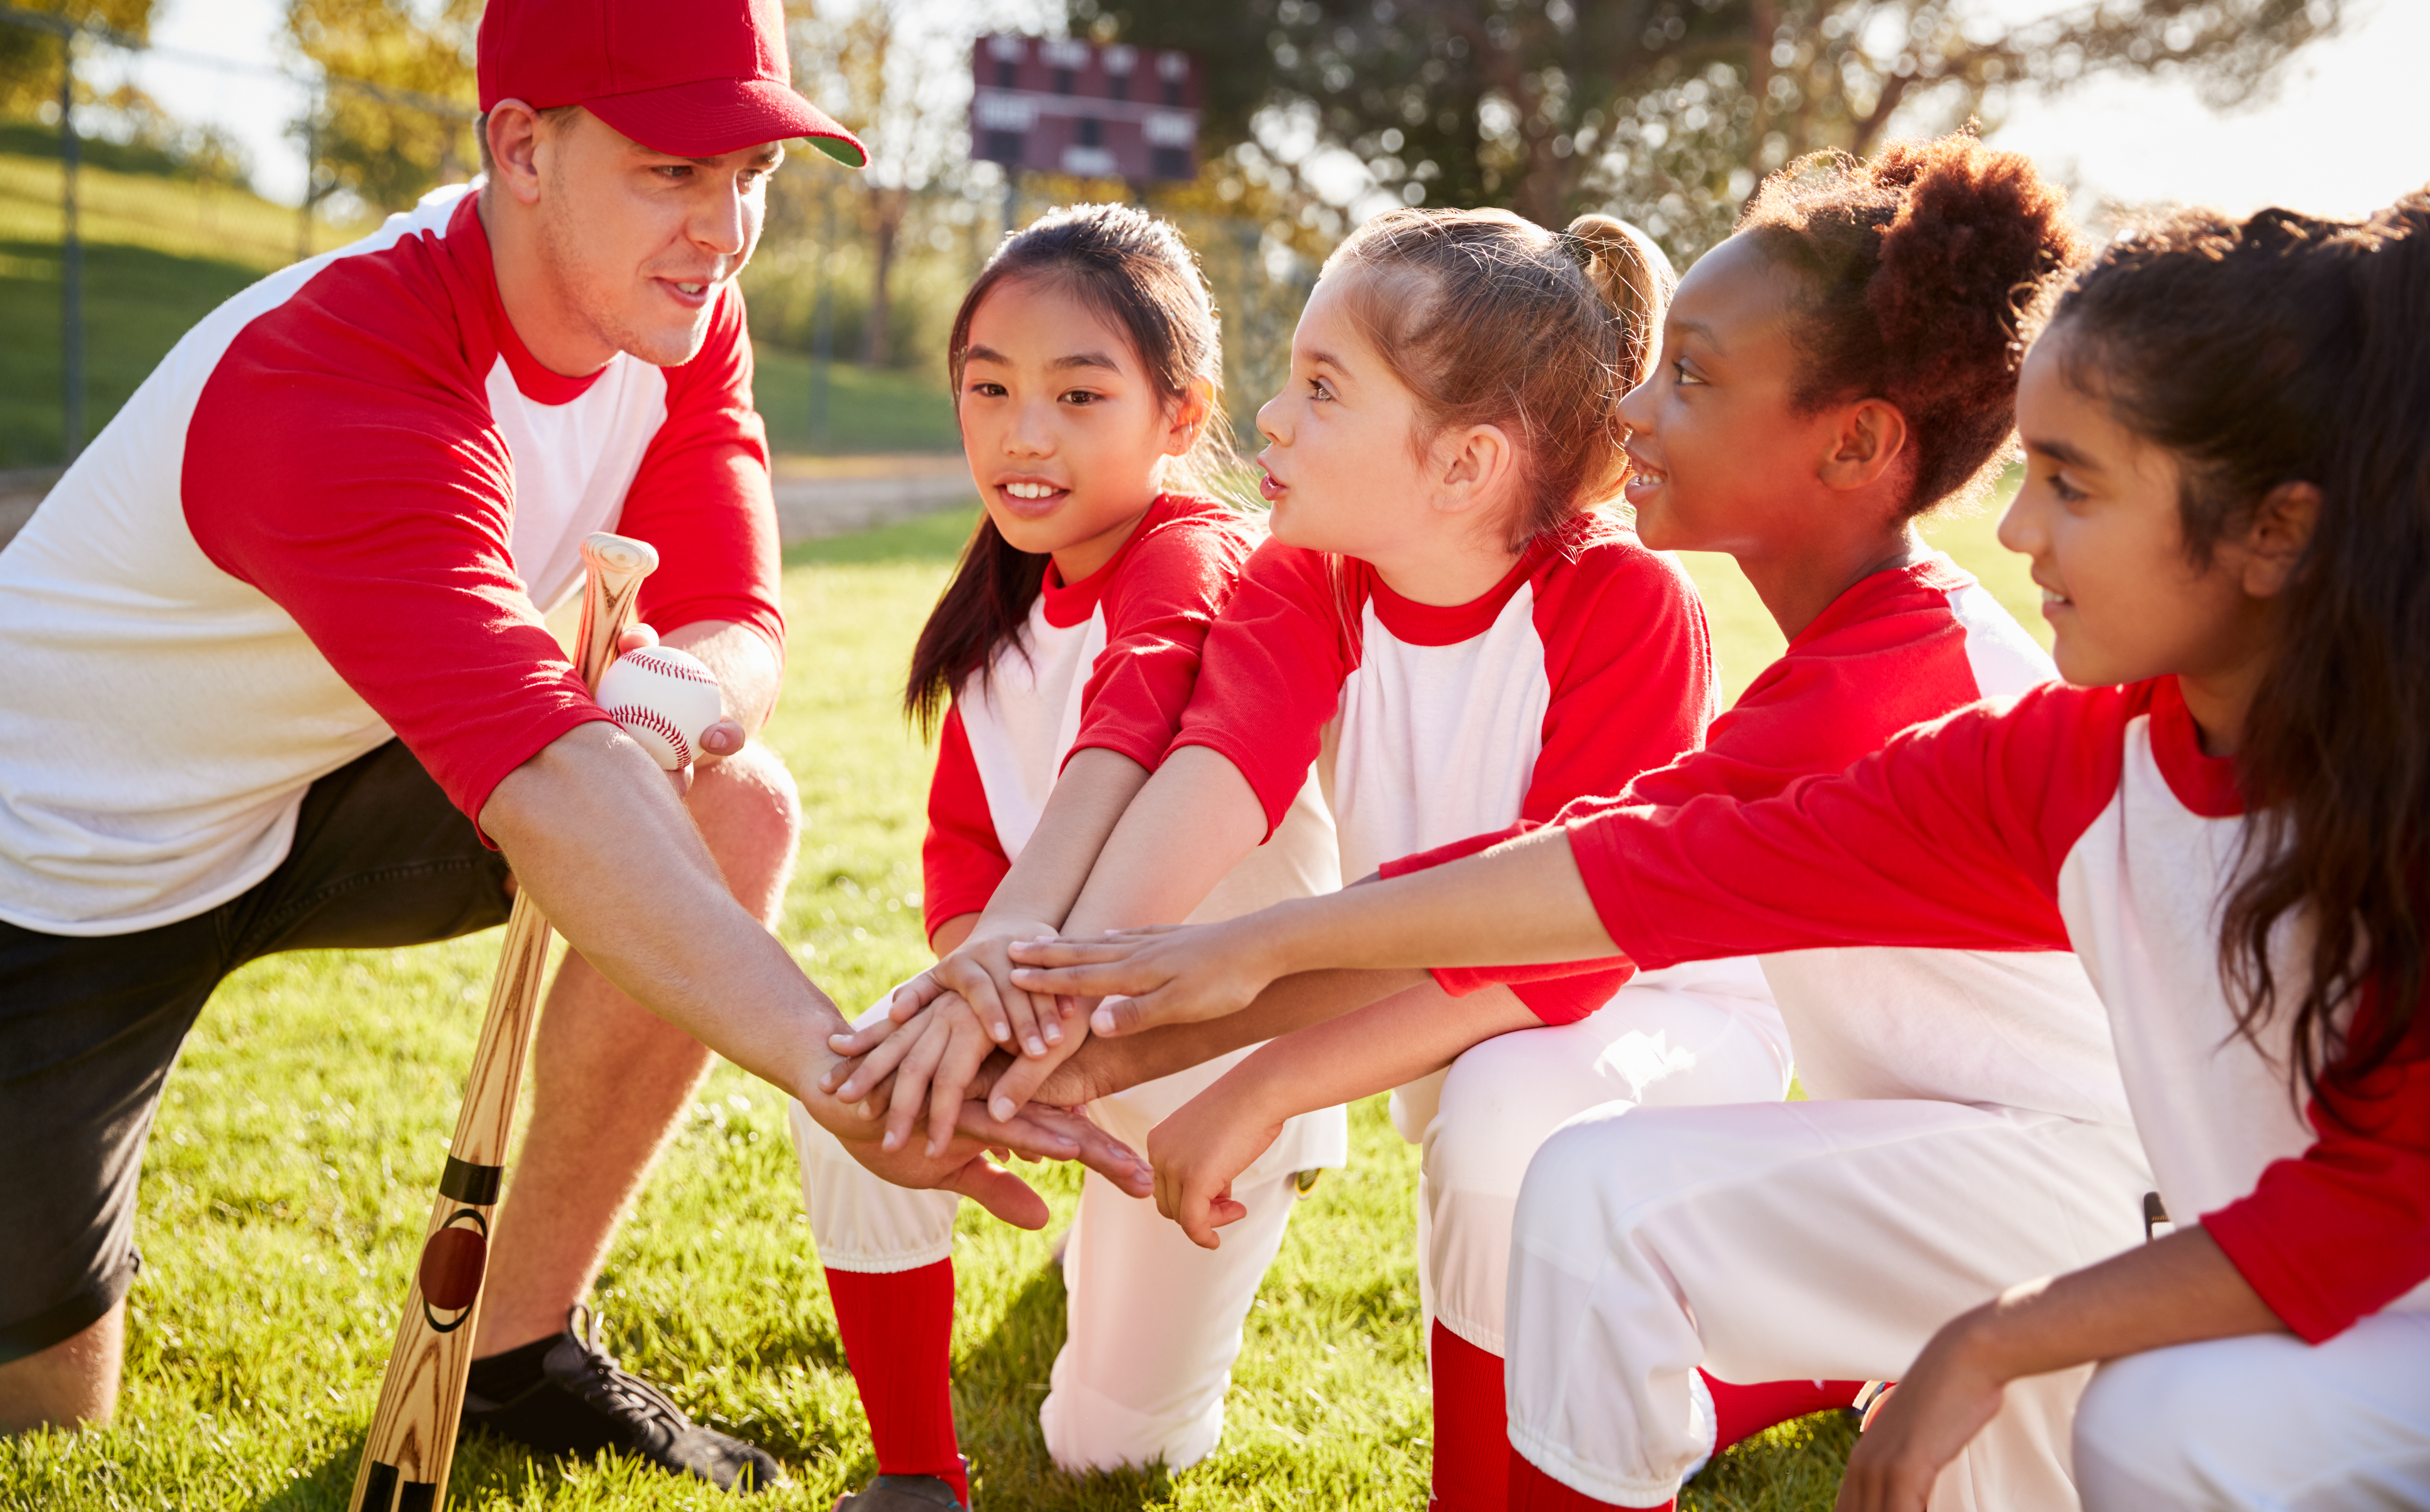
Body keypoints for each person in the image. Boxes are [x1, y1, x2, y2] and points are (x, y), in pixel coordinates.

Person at [1033, 192, 2430, 1511]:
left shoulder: (1909, 684)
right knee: (1615, 1210)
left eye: (1690, 379)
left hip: (2103, 1194)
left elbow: (1613, 888)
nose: (1632, 405)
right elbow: (1626, 863)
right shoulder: (2036, 742)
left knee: (1608, 1200)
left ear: (1852, 446)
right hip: (2039, 1177)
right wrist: (1196, 984)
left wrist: (2002, 1336)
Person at [0, 0, 1143, 1490]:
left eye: (754, 175)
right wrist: (840, 1070)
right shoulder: (336, 377)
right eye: (678, 170)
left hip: (321, 794)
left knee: (728, 804)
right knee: (51, 1406)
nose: (725, 229)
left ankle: (517, 1350)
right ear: (521, 151)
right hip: (57, 871)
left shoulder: (676, 318)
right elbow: (542, 774)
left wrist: (675, 706)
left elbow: (738, 620)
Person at [834, 204, 1791, 1511]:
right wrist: (1047, 1006)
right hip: (1430, 995)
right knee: (1476, 1141)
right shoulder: (1308, 575)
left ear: (1462, 466)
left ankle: (1639, 1420)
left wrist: (1263, 1083)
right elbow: (1218, 774)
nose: (1270, 420)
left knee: (1506, 1125)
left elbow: (1565, 962)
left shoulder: (1627, 606)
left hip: (1650, 1009)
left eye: (1322, 388)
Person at [786, 204, 1346, 1510]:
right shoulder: (997, 611)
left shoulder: (1205, 555)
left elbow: (1136, 723)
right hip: (1045, 1021)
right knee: (855, 1079)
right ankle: (914, 1474)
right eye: (990, 389)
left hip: (1220, 1064)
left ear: (1179, 412)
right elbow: (960, 860)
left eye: (1078, 394)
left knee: (1112, 1449)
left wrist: (1004, 973)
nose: (1024, 434)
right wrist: (964, 997)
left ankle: (1132, 1252)